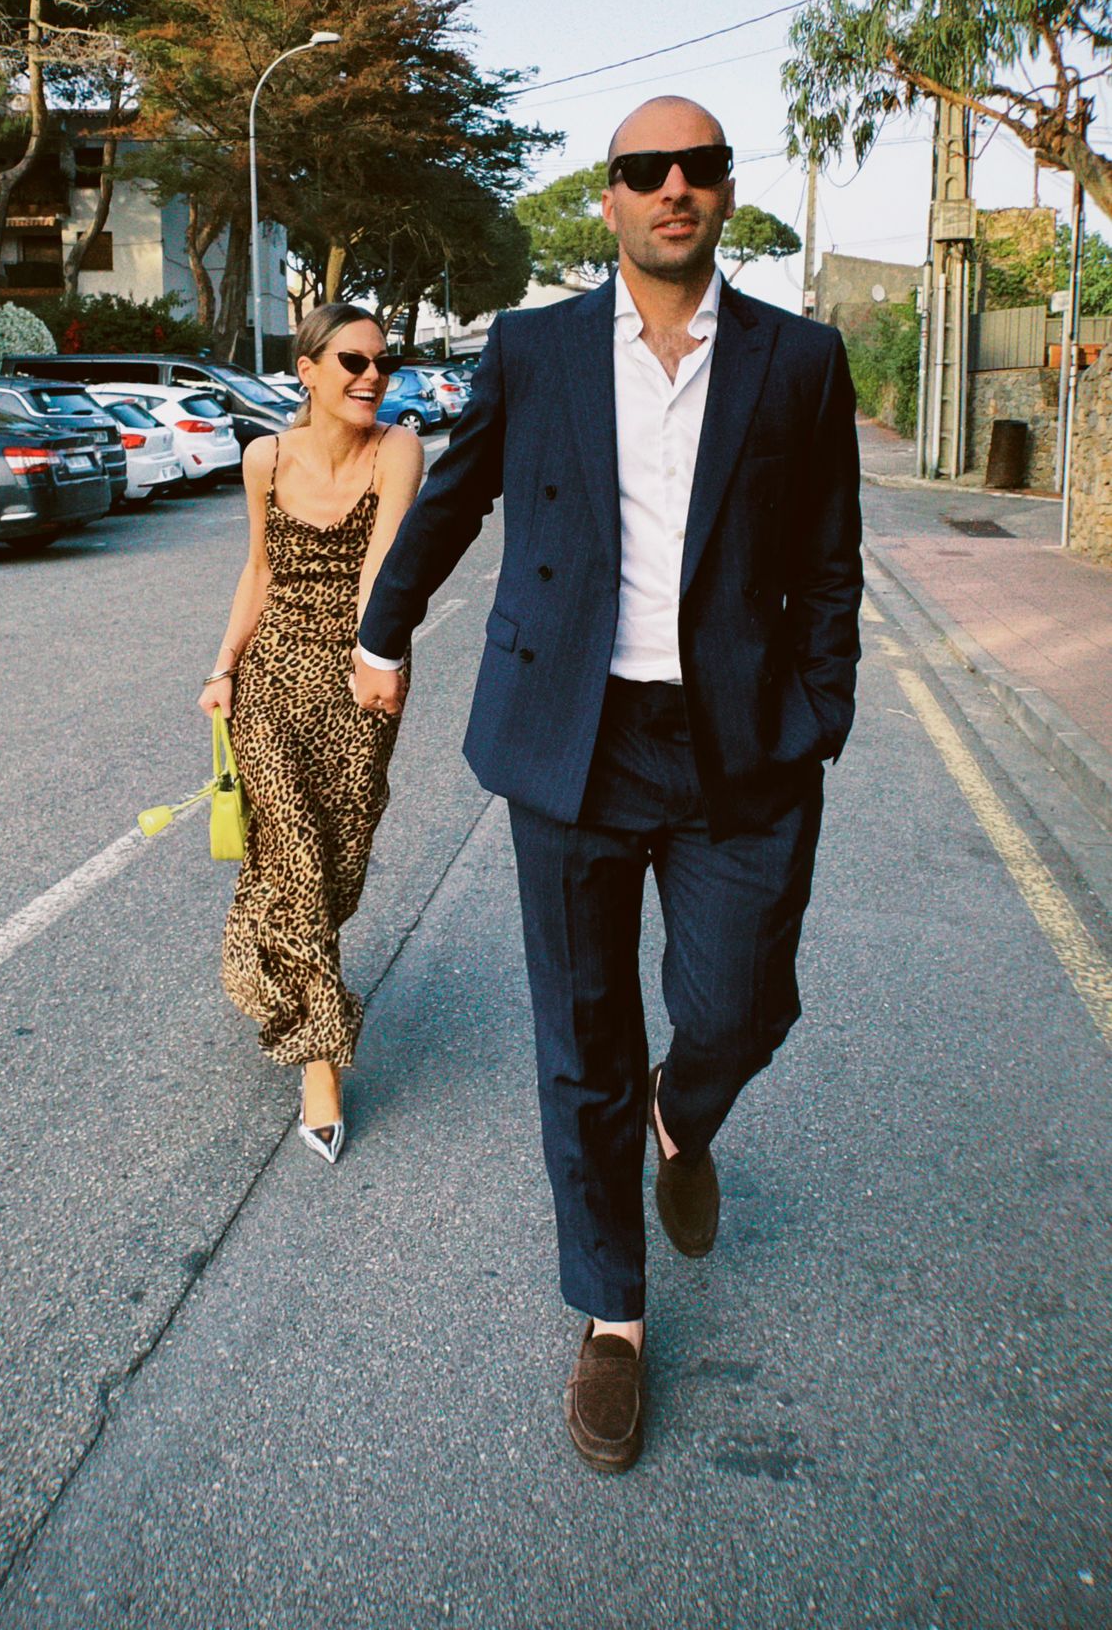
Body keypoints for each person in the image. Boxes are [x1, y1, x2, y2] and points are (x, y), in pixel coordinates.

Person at [354, 96, 862, 1469]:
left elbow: (827, 558)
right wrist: (379, 628)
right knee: (581, 1034)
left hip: (741, 748)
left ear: (725, 192)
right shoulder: (532, 349)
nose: (672, 189)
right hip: (569, 742)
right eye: (645, 171)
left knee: (739, 1005)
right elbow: (454, 497)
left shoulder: (800, 361)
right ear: (611, 200)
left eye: (696, 168)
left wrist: (820, 710)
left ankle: (680, 1120)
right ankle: (611, 1317)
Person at [201, 303, 423, 1163]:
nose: (371, 376)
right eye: (352, 361)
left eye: (382, 363)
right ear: (308, 368)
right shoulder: (264, 457)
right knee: (291, 846)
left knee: (334, 862)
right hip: (271, 679)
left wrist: (378, 661)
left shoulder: (397, 449)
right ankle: (319, 1060)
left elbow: (381, 568)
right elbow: (259, 568)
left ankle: (265, 964)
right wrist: (222, 667)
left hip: (359, 673)